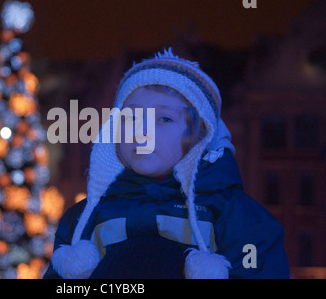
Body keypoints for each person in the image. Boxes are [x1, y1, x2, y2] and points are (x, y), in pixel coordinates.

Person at [43, 48, 290, 279]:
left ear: (199, 135)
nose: (142, 132)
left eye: (164, 118)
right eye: (131, 117)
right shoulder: (82, 219)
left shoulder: (239, 218)